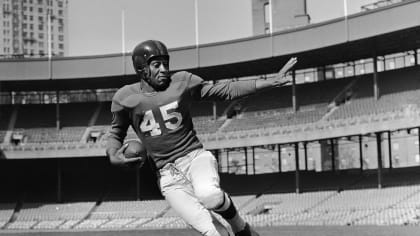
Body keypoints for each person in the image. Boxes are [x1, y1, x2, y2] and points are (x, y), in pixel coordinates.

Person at [106, 40, 297, 236]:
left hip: (195, 158)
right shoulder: (124, 98)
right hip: (168, 177)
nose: (164, 69)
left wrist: (268, 82)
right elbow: (115, 133)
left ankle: (241, 227)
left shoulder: (182, 81)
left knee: (210, 196)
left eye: (166, 63)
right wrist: (113, 155)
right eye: (157, 65)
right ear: (141, 69)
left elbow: (224, 90)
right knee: (214, 234)